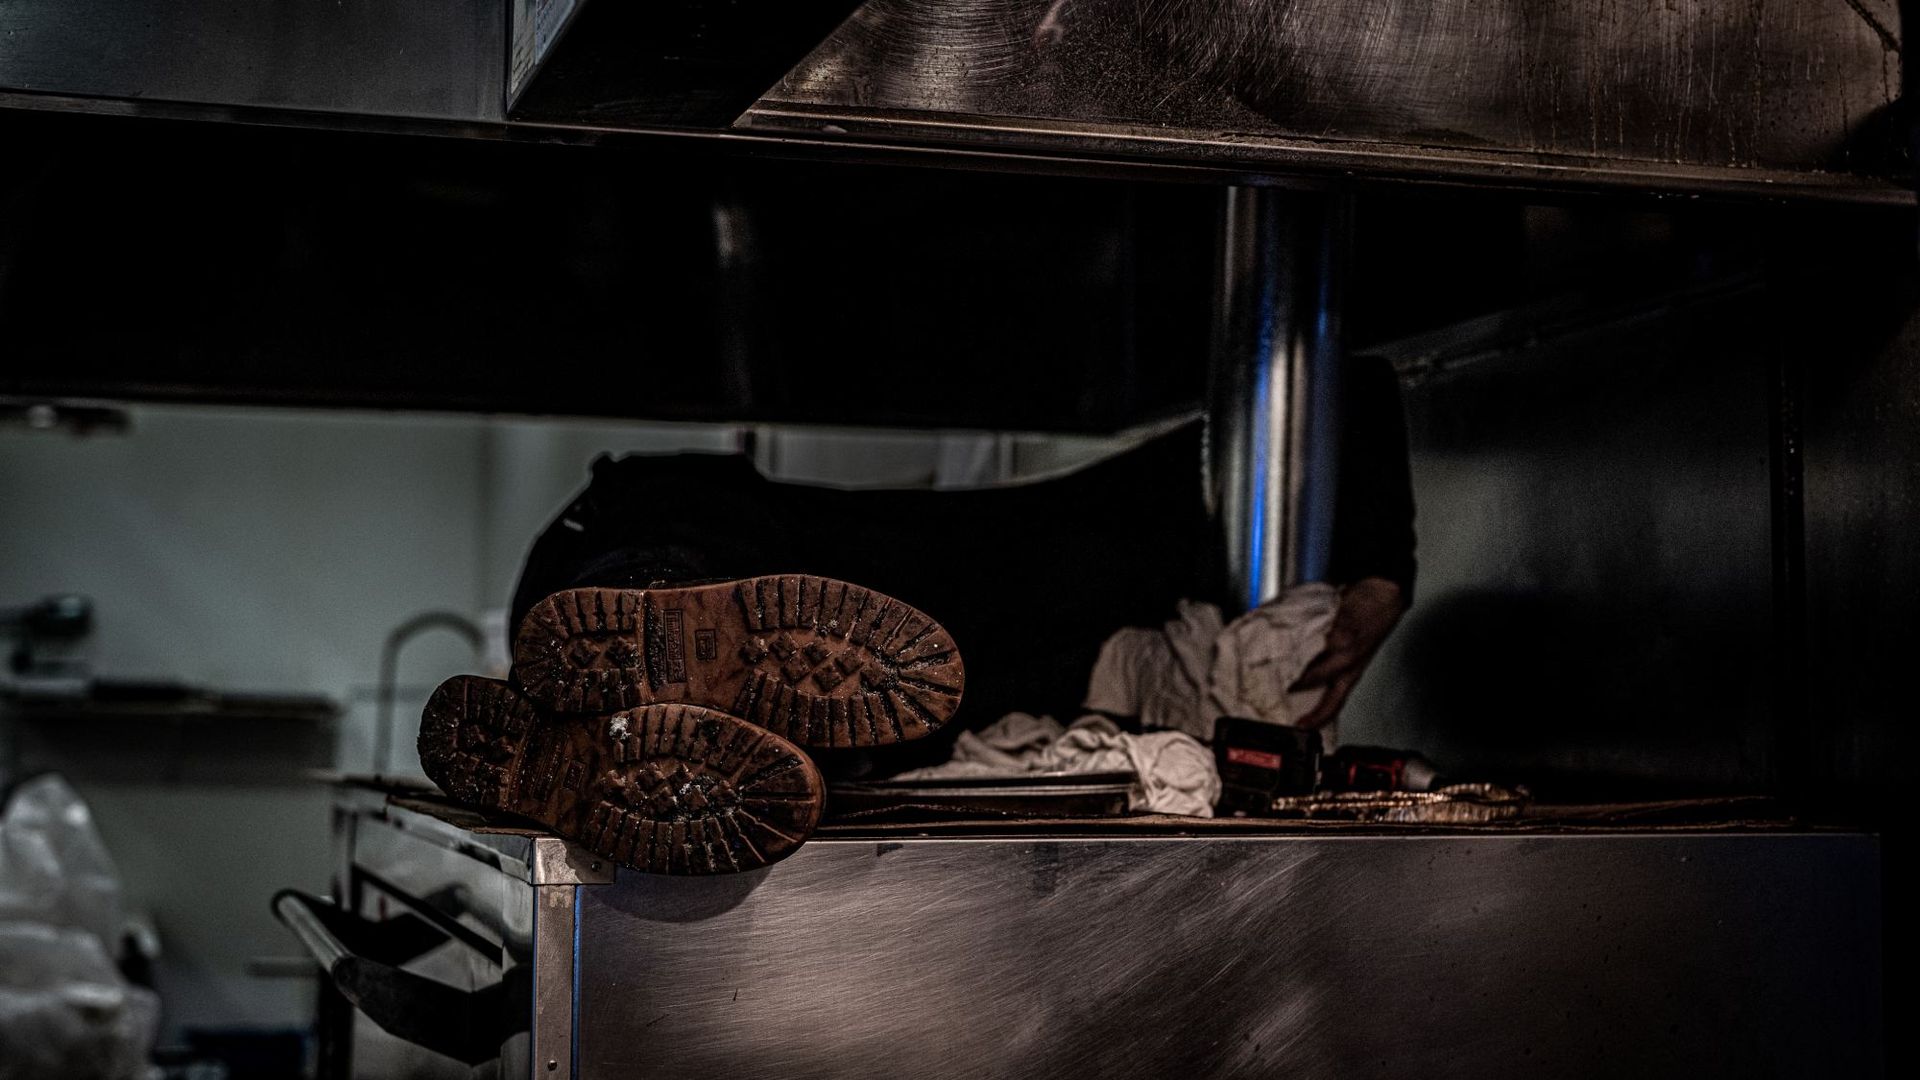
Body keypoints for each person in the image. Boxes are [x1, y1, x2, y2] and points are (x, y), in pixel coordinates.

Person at [420, 355, 1415, 872]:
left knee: (800, 739)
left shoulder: (1085, 690)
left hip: (609, 580)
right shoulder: (1142, 542)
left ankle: (585, 731)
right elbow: (1350, 395)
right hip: (654, 537)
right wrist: (1383, 570)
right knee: (699, 602)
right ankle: (636, 654)